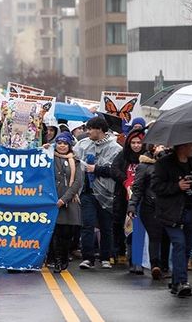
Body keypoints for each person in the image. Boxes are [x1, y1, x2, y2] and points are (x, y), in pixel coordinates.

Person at [152, 143, 192, 297]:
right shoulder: (164, 163)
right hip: (171, 212)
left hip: (191, 211)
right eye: (191, 145)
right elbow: (156, 186)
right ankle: (182, 281)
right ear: (183, 146)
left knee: (187, 247)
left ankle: (176, 282)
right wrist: (177, 186)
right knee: (179, 244)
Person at [73, 116, 122, 270]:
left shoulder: (115, 148)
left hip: (106, 192)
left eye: (91, 129)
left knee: (106, 226)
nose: (88, 132)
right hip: (87, 191)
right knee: (87, 224)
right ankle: (88, 257)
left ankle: (105, 257)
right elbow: (71, 156)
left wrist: (96, 169)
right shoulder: (82, 144)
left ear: (100, 129)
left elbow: (115, 171)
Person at [127, 144, 170, 280]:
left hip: (168, 206)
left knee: (166, 236)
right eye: (158, 145)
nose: (160, 148)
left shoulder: (171, 164)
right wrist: (132, 205)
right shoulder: (144, 165)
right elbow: (137, 187)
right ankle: (154, 265)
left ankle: (164, 266)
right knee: (155, 234)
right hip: (149, 206)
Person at [111, 129, 145, 269]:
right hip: (123, 196)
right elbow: (114, 169)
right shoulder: (123, 155)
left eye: (139, 143)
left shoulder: (146, 157)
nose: (136, 146)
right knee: (120, 224)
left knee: (137, 228)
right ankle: (120, 252)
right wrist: (125, 181)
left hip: (141, 198)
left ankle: (135, 259)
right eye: (133, 143)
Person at [50, 132, 82, 273]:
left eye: (65, 143)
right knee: (56, 232)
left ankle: (64, 257)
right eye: (59, 143)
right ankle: (57, 260)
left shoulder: (75, 161)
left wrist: (64, 199)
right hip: (53, 200)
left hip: (69, 200)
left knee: (68, 232)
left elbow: (77, 182)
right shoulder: (49, 158)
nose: (62, 146)